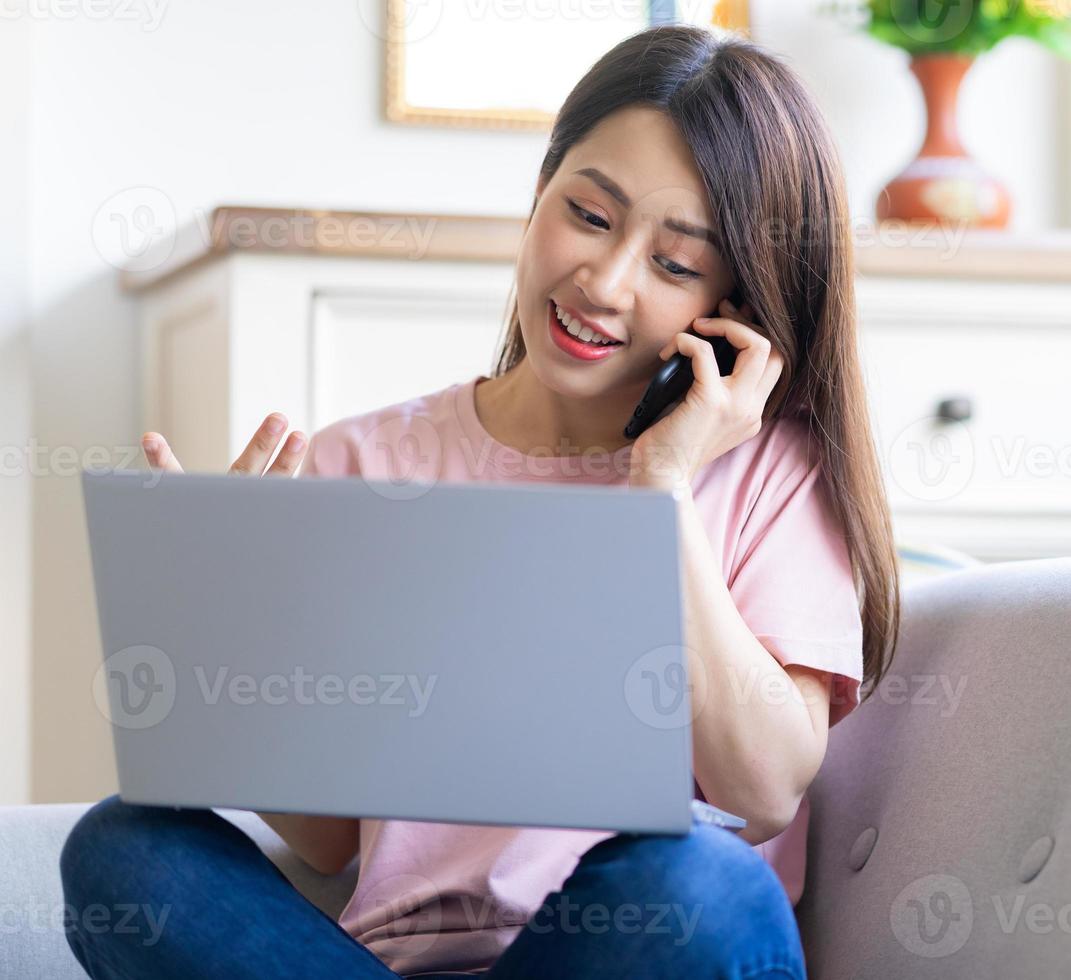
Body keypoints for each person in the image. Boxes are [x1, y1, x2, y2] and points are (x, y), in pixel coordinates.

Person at [61, 23, 900, 979]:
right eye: (588, 214)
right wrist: (230, 640)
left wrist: (658, 489)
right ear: (541, 190)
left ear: (735, 307)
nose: (605, 280)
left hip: (629, 949)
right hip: (382, 963)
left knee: (700, 883)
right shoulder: (362, 461)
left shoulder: (767, 472)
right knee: (125, 848)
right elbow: (329, 840)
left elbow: (763, 791)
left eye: (674, 265)